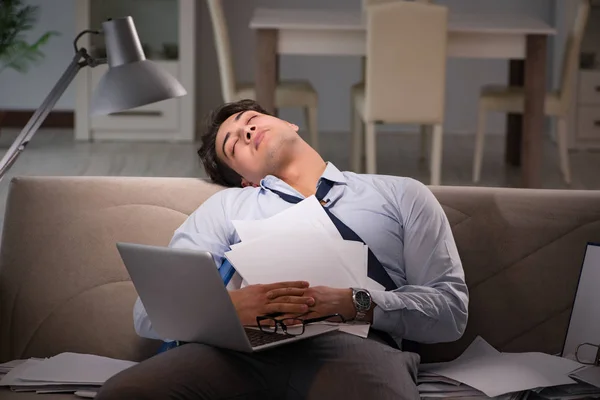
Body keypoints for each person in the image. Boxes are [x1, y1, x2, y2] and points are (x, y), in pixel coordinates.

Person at [96, 99, 469, 400]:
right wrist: (227, 308)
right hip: (242, 350)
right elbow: (149, 312)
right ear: (244, 179)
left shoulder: (401, 194)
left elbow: (451, 311)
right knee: (125, 391)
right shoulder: (227, 208)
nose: (246, 130)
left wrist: (354, 303)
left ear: (290, 124)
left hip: (358, 348)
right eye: (233, 144)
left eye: (251, 119)